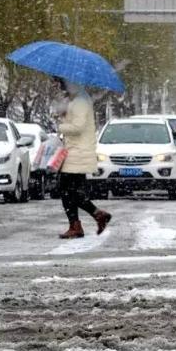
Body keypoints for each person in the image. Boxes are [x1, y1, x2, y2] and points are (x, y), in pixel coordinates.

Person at [54, 77, 112, 238]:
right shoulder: (77, 99)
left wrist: (60, 126)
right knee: (70, 190)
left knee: (66, 190)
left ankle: (83, 221)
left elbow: (78, 127)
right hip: (75, 151)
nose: (57, 86)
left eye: (59, 82)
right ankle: (90, 218)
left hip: (78, 153)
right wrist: (63, 115)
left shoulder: (80, 101)